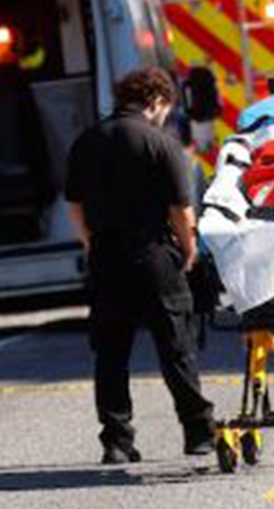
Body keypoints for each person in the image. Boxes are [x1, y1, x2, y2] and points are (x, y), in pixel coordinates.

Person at [64, 66, 215, 464]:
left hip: (106, 258)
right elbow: (181, 209)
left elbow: (74, 204)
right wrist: (189, 249)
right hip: (154, 257)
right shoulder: (161, 144)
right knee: (176, 347)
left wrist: (91, 242)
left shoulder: (86, 141)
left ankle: (117, 441)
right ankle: (198, 432)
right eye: (166, 108)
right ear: (157, 101)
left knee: (111, 353)